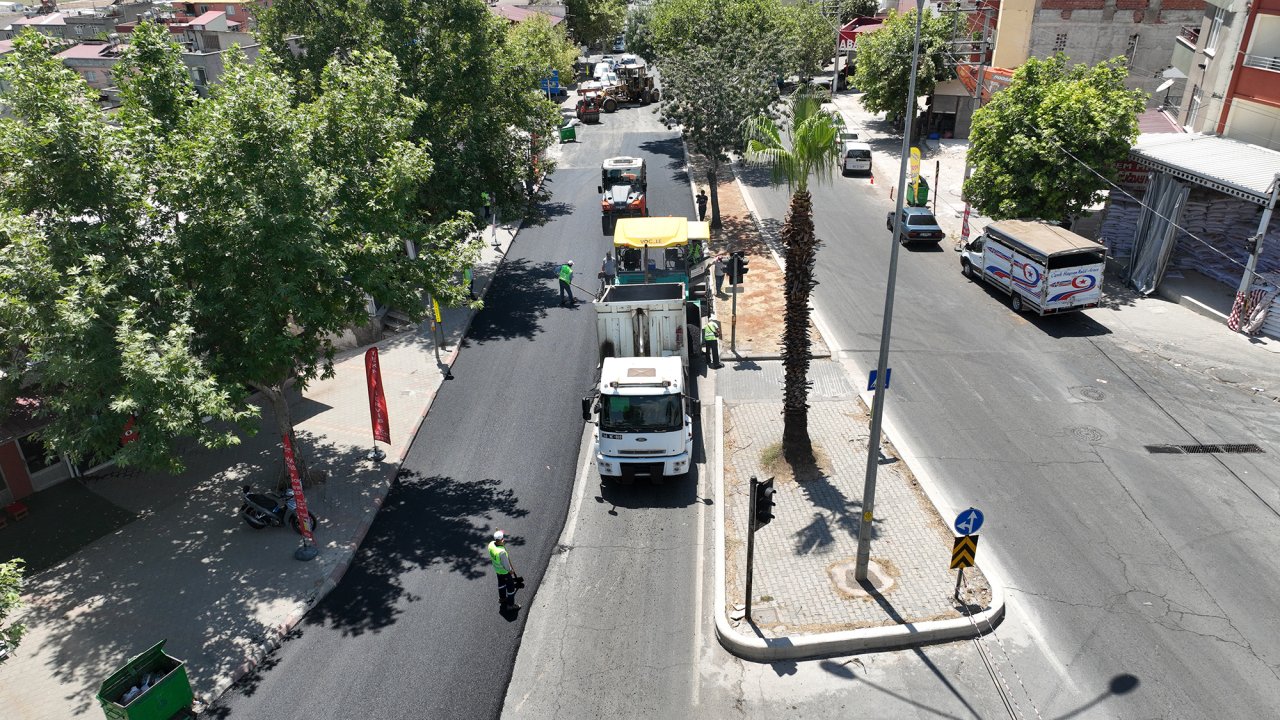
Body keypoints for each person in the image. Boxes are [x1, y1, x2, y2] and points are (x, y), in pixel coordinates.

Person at [488, 530, 521, 611]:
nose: (504, 540)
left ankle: (502, 598)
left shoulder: (491, 544)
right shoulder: (502, 552)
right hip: (504, 572)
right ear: (502, 540)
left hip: (497, 570)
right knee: (511, 588)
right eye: (503, 539)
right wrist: (511, 571)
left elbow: (494, 545)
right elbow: (506, 565)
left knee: (501, 584)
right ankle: (510, 605)